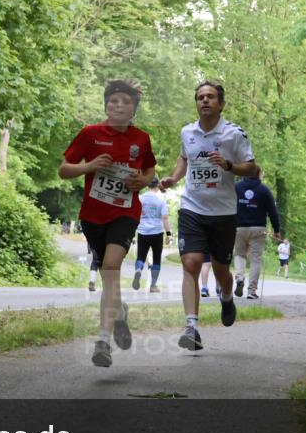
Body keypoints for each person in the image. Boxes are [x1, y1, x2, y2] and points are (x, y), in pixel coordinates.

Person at [61, 80, 155, 367]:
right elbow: (64, 170)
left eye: (125, 101)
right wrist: (88, 167)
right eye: (113, 101)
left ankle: (102, 341)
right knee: (108, 277)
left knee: (111, 268)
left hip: (125, 213)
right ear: (106, 105)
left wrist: (144, 180)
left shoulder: (141, 139)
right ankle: (120, 313)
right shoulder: (90, 134)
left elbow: (150, 169)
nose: (118, 105)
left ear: (133, 109)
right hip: (92, 216)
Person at [160, 81, 258, 351]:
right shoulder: (187, 132)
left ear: (221, 103)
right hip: (192, 207)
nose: (205, 101)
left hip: (224, 213)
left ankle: (226, 296)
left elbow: (252, 168)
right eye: (200, 97)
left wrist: (228, 165)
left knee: (220, 269)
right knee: (190, 263)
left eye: (211, 97)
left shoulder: (234, 134)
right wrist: (173, 178)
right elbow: (184, 158)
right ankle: (191, 327)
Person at [233, 168, 281, 298]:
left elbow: (228, 205)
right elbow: (273, 212)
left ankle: (239, 279)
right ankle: (251, 291)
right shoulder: (264, 190)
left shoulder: (236, 187)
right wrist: (277, 230)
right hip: (259, 228)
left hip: (239, 227)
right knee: (255, 259)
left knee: (239, 254)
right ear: (259, 174)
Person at [133, 178, 172, 293]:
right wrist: (168, 234)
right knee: (156, 259)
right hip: (157, 232)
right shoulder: (161, 200)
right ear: (157, 185)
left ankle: (138, 269)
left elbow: (136, 213)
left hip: (143, 231)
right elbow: (164, 218)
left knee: (141, 256)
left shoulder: (140, 198)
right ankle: (153, 286)